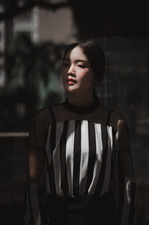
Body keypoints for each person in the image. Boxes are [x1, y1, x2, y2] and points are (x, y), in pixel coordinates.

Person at [24, 40, 136, 225]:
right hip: (57, 218)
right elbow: (33, 184)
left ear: (96, 75)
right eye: (66, 64)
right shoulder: (45, 120)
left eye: (80, 65)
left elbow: (127, 187)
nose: (70, 70)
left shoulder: (115, 123)